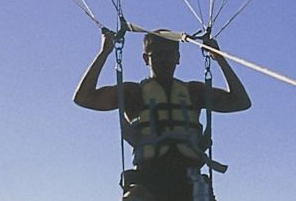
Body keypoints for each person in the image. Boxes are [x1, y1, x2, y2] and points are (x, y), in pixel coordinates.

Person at [74, 28, 252, 201]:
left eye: (169, 54)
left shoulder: (194, 92)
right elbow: (84, 98)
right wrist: (104, 52)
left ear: (178, 57)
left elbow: (240, 102)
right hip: (149, 177)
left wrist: (219, 58)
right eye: (158, 54)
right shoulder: (133, 94)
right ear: (146, 58)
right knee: (134, 197)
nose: (165, 60)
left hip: (189, 177)